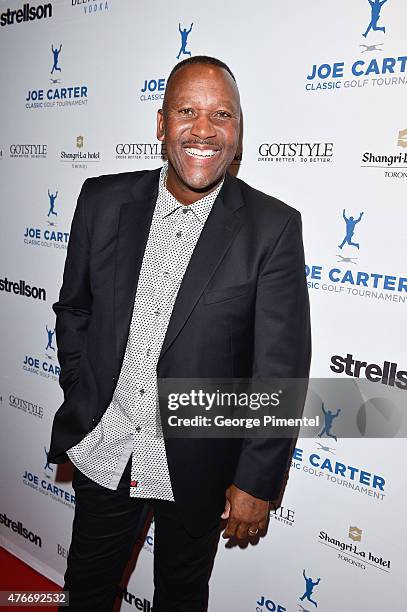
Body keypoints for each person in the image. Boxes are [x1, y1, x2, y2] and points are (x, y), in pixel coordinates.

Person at [48, 55, 311, 611]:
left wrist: (256, 481)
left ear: (239, 133)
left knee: (181, 597)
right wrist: (84, 390)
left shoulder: (272, 228)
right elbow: (74, 310)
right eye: (187, 112)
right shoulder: (101, 200)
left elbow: (279, 370)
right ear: (161, 124)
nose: (204, 130)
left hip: (198, 466)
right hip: (107, 448)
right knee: (87, 593)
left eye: (222, 115)